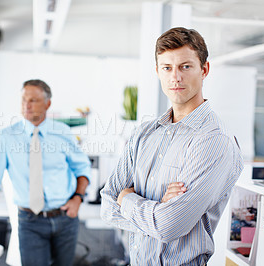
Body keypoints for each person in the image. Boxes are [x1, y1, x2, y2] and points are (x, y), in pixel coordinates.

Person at [100, 27, 244, 265]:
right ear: (158, 71)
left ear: (204, 70)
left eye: (185, 67)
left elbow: (169, 226)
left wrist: (127, 198)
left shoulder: (214, 140)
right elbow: (107, 206)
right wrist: (156, 210)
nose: (175, 77)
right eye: (167, 68)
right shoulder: (144, 134)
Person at [0, 79, 91, 266]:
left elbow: (82, 168)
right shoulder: (5, 138)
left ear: (48, 104)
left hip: (65, 218)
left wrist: (78, 199)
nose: (27, 105)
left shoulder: (63, 132)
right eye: (24, 99)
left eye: (33, 100)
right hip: (30, 221)